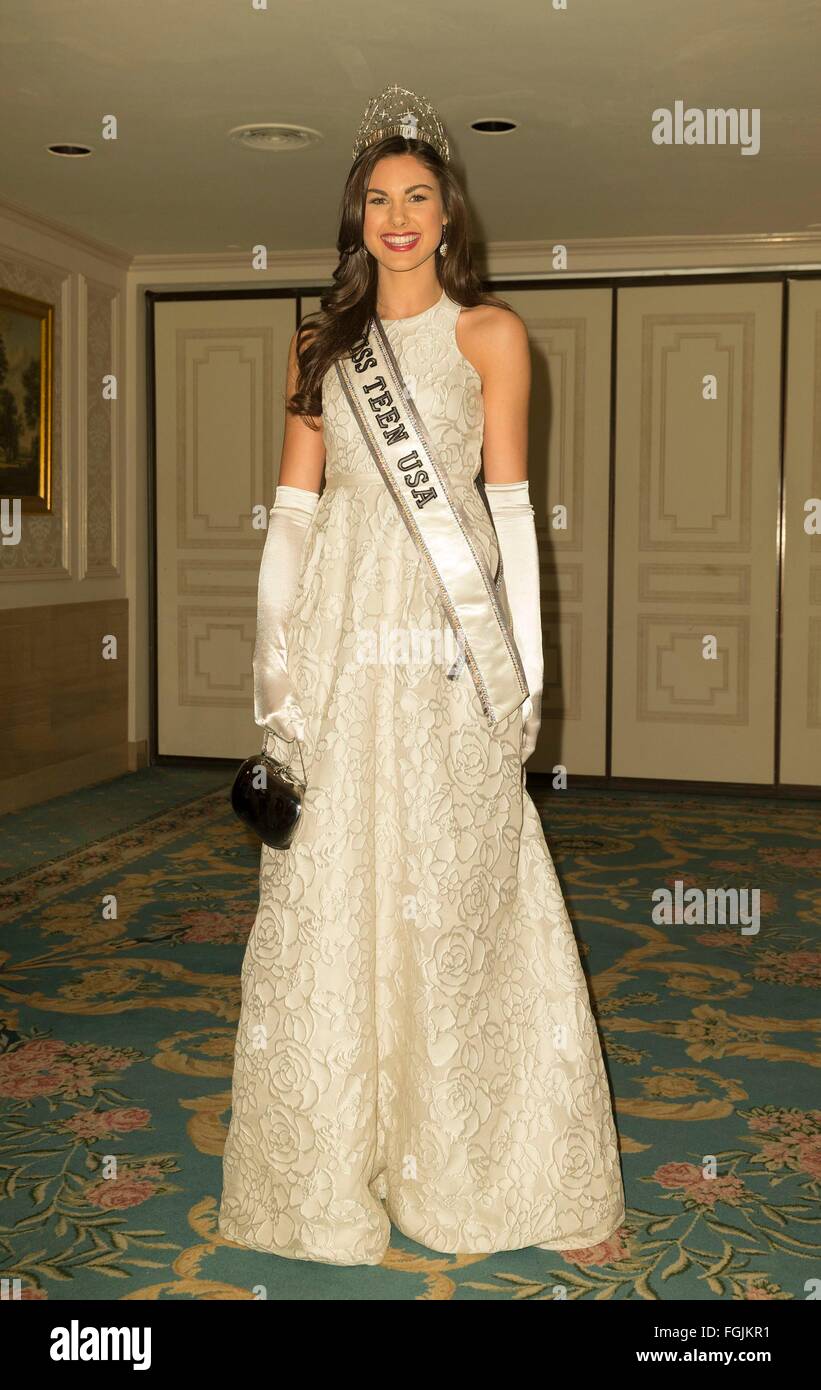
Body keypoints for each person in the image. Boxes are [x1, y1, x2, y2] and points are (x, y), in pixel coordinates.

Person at [218, 84, 625, 1265]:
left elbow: (509, 511)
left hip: (445, 652)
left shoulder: (488, 336)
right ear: (356, 221)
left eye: (417, 198)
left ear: (449, 218)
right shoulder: (318, 344)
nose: (396, 217)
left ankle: (506, 1174)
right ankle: (329, 1171)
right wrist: (275, 677)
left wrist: (521, 683)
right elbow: (294, 516)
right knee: (333, 886)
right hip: (344, 647)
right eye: (376, 200)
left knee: (464, 891)